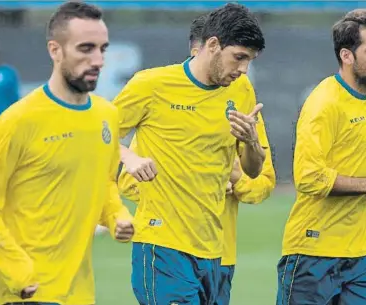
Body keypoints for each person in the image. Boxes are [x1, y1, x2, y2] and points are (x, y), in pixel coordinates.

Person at [117, 13, 276, 305]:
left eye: (250, 60)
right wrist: (127, 156)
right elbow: (97, 134)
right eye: (238, 57)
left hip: (214, 251)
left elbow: (254, 172)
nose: (243, 69)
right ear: (213, 44)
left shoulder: (241, 90)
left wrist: (251, 141)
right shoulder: (151, 85)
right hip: (162, 246)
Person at [0, 2, 134, 305]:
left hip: (81, 293)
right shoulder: (18, 121)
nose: (98, 60)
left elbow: (103, 182)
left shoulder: (107, 115)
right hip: (29, 293)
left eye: (102, 49)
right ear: (55, 50)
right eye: (86, 48)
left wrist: (117, 215)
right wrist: (18, 270)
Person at [277, 9, 366, 305]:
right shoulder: (323, 104)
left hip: (361, 254)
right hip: (313, 251)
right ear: (346, 56)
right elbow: (308, 178)